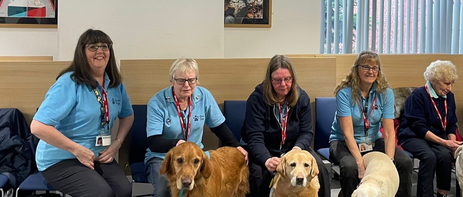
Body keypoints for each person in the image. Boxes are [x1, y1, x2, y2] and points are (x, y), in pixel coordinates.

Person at [31, 29, 134, 197]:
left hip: (96, 154)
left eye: (104, 46)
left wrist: (117, 142)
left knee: (123, 191)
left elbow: (128, 115)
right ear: (82, 51)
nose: (100, 51)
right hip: (61, 158)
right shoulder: (69, 83)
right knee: (101, 194)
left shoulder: (114, 83)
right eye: (93, 47)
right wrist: (77, 150)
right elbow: (38, 127)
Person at [145, 57, 247, 197]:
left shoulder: (203, 95)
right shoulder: (157, 102)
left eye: (191, 80)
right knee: (163, 191)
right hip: (163, 157)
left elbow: (219, 127)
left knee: (207, 187)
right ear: (172, 80)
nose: (187, 85)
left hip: (196, 156)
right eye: (181, 80)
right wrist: (177, 144)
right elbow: (153, 142)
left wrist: (236, 145)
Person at [242, 55, 330, 197]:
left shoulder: (302, 97)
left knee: (321, 168)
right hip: (266, 150)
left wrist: (295, 151)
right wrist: (266, 159)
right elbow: (254, 137)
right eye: (277, 80)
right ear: (270, 80)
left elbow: (306, 132)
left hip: (295, 148)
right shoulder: (256, 99)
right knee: (258, 175)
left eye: (287, 79)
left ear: (293, 79)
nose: (283, 84)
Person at [329, 51, 413, 197]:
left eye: (375, 68)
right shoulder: (344, 93)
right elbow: (348, 134)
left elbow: (388, 131)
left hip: (373, 140)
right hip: (343, 141)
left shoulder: (386, 93)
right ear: (356, 69)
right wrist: (360, 163)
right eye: (366, 67)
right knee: (350, 167)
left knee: (404, 162)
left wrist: (389, 161)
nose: (371, 71)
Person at [398, 60, 463, 197]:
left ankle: (442, 194)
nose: (449, 88)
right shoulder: (418, 95)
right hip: (413, 135)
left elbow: (451, 123)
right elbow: (419, 127)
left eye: (452, 83)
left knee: (445, 155)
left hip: (436, 137)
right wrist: (445, 143)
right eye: (446, 83)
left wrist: (452, 143)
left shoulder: (449, 97)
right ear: (434, 80)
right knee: (429, 157)